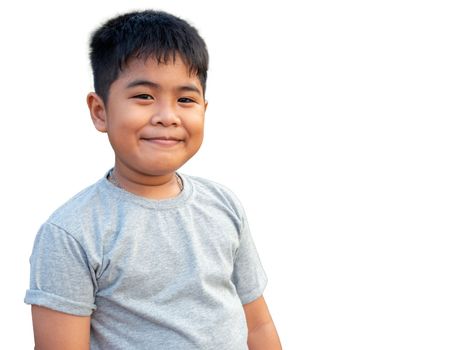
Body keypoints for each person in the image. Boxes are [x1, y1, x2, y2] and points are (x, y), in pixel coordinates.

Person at [24, 9, 281, 350]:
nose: (167, 116)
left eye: (186, 99)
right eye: (144, 96)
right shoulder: (71, 233)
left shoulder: (224, 205)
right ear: (100, 111)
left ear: (204, 108)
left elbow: (259, 325)